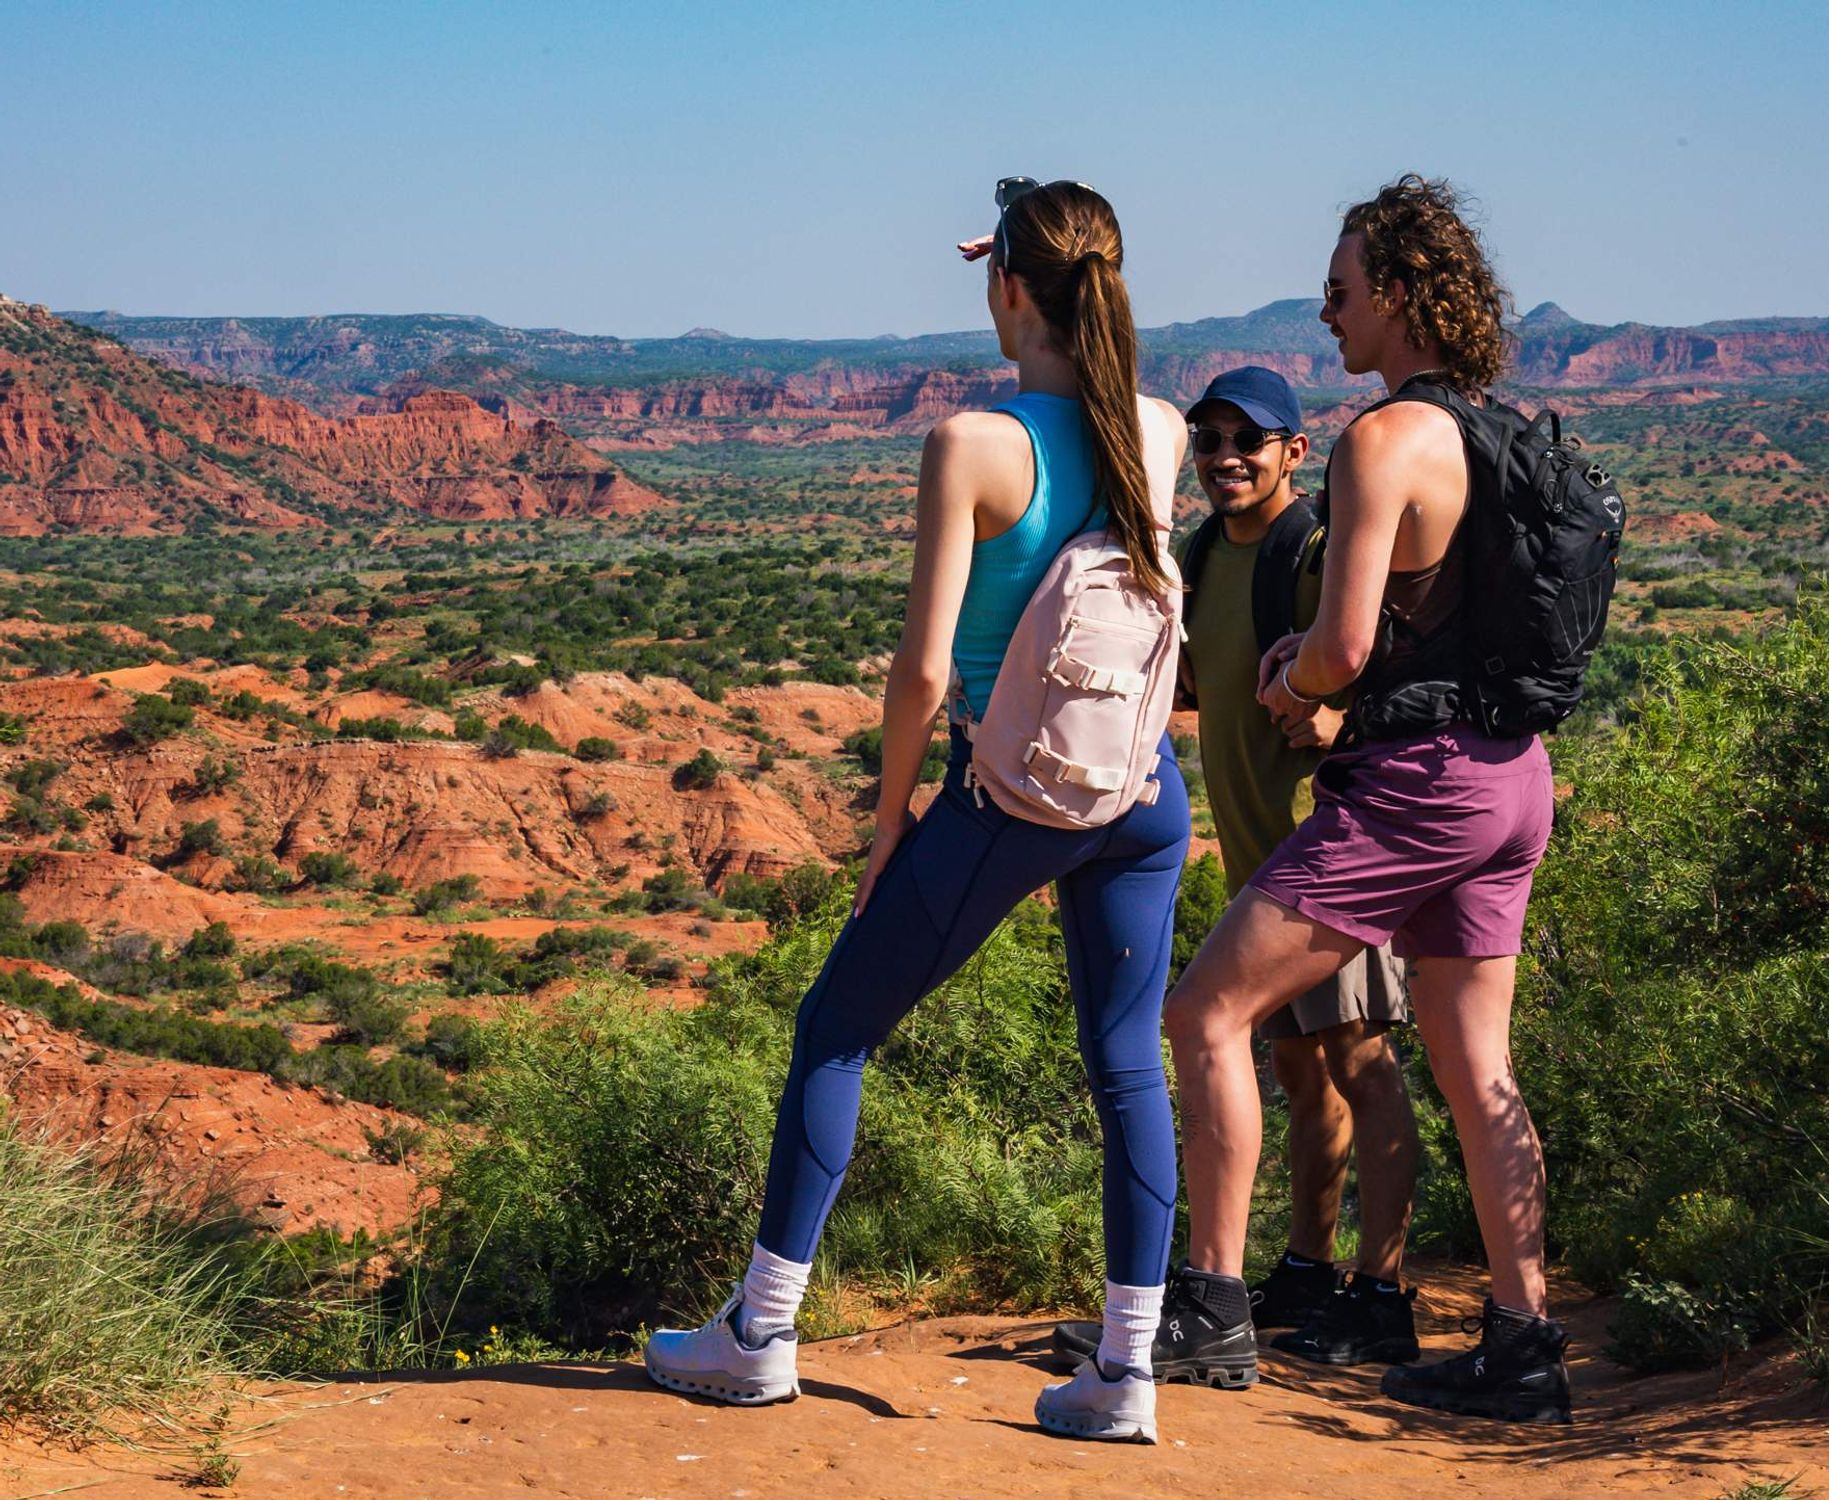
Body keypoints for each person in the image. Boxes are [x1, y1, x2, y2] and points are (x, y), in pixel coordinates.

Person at [643, 177, 1192, 1446]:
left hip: (1006, 797)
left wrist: (892, 815)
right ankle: (1126, 1371)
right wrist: (1030, 254)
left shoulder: (972, 444)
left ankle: (759, 1336)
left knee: (833, 1032)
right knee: (1125, 1062)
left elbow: (924, 671)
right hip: (1138, 791)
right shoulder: (1157, 429)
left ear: (1006, 289)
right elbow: (1080, 323)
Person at [1161, 176, 1573, 1424]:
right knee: (1478, 1068)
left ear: (1396, 292)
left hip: (1415, 786)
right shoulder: (1498, 434)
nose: (1328, 312)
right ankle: (1523, 1347)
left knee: (1206, 1011)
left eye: (1340, 291)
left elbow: (1341, 649)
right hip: (1512, 777)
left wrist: (1293, 673)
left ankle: (1209, 1307)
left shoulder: (1383, 439)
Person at [1051, 366, 1421, 1387]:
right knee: (1304, 1071)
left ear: (1293, 452)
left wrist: (1342, 717)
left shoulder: (1311, 551)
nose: (1224, 458)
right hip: (1262, 859)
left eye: (1247, 441)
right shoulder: (1208, 554)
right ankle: (1305, 1271)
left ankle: (1383, 1297)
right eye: (1209, 440)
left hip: (1331, 853)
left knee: (1362, 1062)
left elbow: (1378, 662)